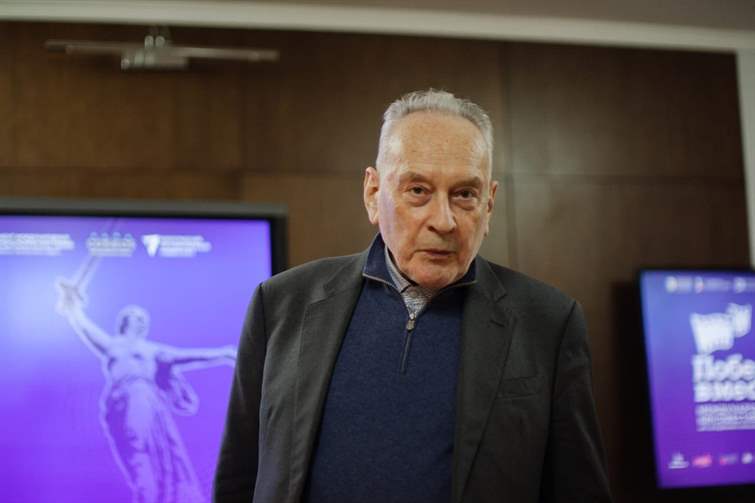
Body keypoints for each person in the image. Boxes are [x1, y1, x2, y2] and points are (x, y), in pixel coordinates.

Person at [213, 89, 612, 502]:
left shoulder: (548, 322)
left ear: (489, 205)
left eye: (464, 194)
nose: (444, 221)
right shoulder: (281, 304)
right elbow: (239, 479)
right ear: (373, 194)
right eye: (418, 190)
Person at [56, 278, 237, 503]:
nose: (143, 322)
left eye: (145, 320)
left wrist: (222, 353)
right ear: (125, 321)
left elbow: (186, 356)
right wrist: (72, 305)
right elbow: (83, 325)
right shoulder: (112, 345)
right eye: (138, 318)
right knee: (135, 456)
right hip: (117, 404)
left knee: (142, 452)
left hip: (141, 398)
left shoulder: (150, 349)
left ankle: (148, 495)